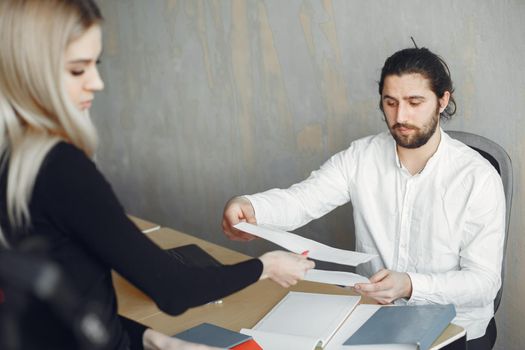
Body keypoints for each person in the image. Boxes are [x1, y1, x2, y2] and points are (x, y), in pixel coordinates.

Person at [0, 1, 314, 349]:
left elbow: (62, 302)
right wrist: (264, 267)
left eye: (96, 64)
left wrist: (155, 341)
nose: (97, 83)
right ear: (28, 71)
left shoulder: (11, 159)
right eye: (78, 70)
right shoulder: (60, 168)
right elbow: (172, 289)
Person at [223, 47, 505, 349]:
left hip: (454, 329)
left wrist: (410, 285)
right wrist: (251, 206)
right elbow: (303, 200)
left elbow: (484, 283)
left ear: (442, 101)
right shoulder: (361, 156)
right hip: (375, 318)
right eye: (390, 102)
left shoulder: (478, 177)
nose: (400, 116)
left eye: (415, 102)